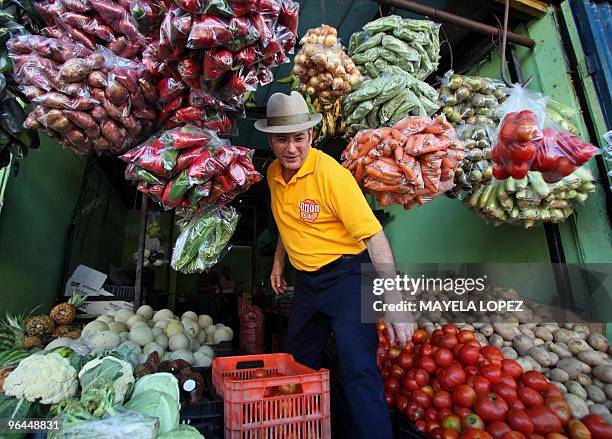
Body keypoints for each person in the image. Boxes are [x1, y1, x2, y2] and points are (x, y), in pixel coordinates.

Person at [254, 91, 415, 439]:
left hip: (349, 278)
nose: (292, 148)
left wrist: (395, 302)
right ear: (271, 140)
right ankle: (297, 430)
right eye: (282, 140)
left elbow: (375, 236)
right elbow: (288, 219)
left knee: (359, 371)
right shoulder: (271, 174)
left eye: (299, 138)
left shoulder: (332, 176)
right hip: (308, 286)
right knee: (297, 363)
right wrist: (279, 262)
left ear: (311, 135)